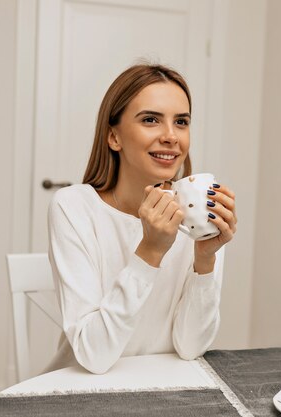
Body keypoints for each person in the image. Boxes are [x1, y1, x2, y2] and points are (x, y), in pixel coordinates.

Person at [46, 64, 237, 374]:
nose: (171, 136)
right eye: (151, 120)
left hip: (164, 392)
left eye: (181, 122)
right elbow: (94, 356)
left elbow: (190, 348)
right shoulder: (73, 207)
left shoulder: (199, 212)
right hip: (81, 391)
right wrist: (150, 251)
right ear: (114, 137)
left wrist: (205, 259)